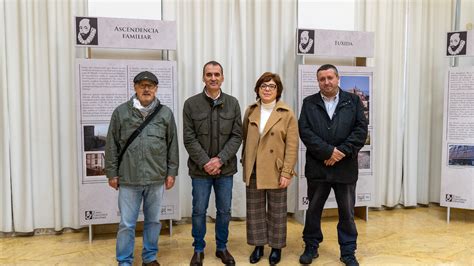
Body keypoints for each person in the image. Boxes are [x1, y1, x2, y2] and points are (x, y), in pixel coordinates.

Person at [105, 71, 179, 266]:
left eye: (150, 85)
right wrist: (112, 173)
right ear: (135, 87)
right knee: (127, 224)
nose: (146, 89)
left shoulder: (165, 113)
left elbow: (172, 145)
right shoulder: (121, 112)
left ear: (156, 88)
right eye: (142, 85)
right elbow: (111, 145)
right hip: (129, 179)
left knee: (153, 222)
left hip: (155, 178)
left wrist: (172, 172)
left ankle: (149, 257)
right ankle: (124, 261)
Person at [298, 64, 368, 266]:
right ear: (318, 81)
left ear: (338, 79)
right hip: (318, 167)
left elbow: (360, 131)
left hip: (345, 168)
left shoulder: (353, 101)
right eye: (322, 79)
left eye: (330, 77)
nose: (326, 82)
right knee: (313, 211)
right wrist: (328, 152)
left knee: (347, 212)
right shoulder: (309, 103)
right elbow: (305, 132)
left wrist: (340, 152)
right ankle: (311, 246)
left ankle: (347, 252)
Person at [183, 61, 242, 266]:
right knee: (199, 210)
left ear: (223, 77)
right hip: (200, 171)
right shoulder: (191, 104)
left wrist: (220, 160)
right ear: (203, 78)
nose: (213, 78)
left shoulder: (233, 103)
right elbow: (189, 138)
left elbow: (237, 136)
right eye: (209, 74)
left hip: (225, 170)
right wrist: (206, 162)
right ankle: (198, 249)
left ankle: (221, 248)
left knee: (224, 211)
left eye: (217, 74)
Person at [241, 72, 299, 265]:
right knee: (255, 210)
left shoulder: (286, 113)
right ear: (258, 89)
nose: (267, 89)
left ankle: (275, 247)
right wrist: (245, 164)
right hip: (255, 168)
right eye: (263, 85)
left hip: (276, 170)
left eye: (272, 86)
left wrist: (287, 172)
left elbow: (292, 145)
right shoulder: (250, 111)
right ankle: (258, 246)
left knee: (277, 211)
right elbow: (244, 138)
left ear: (278, 90)